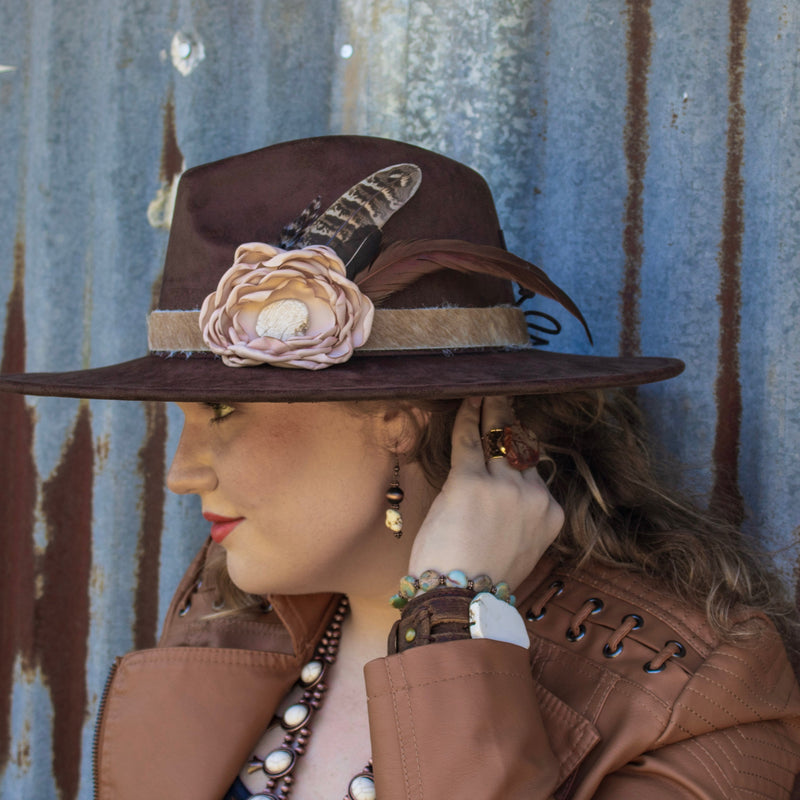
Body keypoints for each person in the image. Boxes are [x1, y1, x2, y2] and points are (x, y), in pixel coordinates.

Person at [2, 136, 799, 800]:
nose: (180, 475)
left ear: (396, 415)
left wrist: (454, 622)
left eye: (221, 411)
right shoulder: (232, 611)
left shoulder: (694, 697)